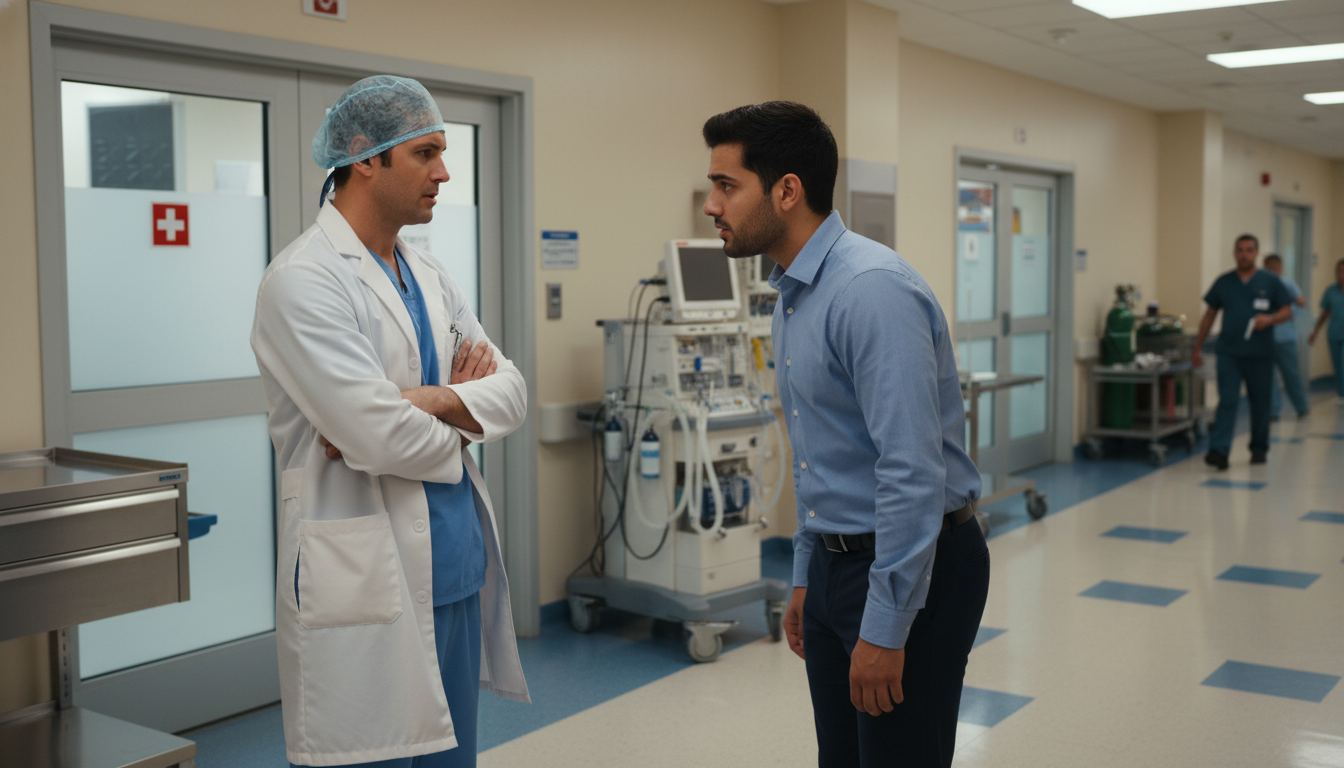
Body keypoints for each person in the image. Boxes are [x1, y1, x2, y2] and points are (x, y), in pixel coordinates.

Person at [251, 75, 529, 768]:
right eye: (426, 153)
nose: (443, 173)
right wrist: (461, 408)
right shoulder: (304, 280)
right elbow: (377, 436)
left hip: (456, 567)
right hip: (366, 574)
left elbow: (512, 393)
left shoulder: (428, 273)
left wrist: (428, 400)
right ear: (364, 156)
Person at [701, 101, 987, 767]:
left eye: (726, 186)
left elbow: (910, 472)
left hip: (913, 564)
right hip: (838, 562)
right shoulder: (794, 295)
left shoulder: (871, 291)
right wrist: (809, 575)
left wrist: (887, 627)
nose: (712, 206)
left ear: (787, 190)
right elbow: (820, 457)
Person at [1192, 235, 1292, 470]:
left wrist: (1270, 319)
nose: (1244, 254)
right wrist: (1198, 346)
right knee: (1227, 401)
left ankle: (1258, 448)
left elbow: (1287, 311)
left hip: (1260, 354)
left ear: (1256, 253)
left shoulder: (1270, 281)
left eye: (1249, 250)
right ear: (1234, 253)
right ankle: (1219, 451)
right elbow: (1210, 314)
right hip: (1229, 353)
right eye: (1240, 250)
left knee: (1260, 403)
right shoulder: (1224, 282)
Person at [1261, 254, 1310, 420]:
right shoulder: (1261, 285)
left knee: (1291, 374)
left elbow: (1301, 302)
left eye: (1275, 267)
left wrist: (1291, 307)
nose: (1272, 270)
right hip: (1266, 338)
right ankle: (1273, 411)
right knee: (1269, 378)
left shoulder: (1288, 284)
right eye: (1269, 266)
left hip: (1286, 337)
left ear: (1281, 267)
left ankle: (1301, 407)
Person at [1308, 258, 1344, 404]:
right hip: (1334, 334)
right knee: (1338, 365)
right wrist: (1315, 331)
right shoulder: (1331, 291)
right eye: (1339, 271)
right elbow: (1324, 314)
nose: (1341, 275)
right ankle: (1341, 394)